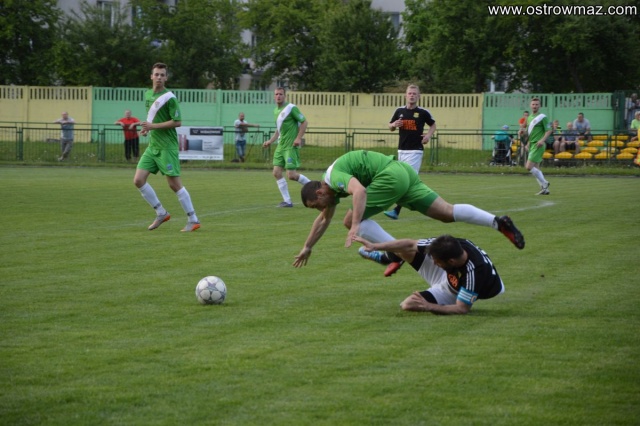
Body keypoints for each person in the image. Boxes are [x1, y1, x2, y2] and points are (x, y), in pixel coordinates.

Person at [293, 150, 525, 274]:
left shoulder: (334, 177)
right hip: (403, 173)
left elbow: (360, 191)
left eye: (317, 205)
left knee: (349, 219)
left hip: (389, 176)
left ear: (320, 193)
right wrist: (307, 246)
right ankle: (498, 222)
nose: (321, 209)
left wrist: (354, 226)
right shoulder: (330, 188)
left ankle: (396, 253)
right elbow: (323, 220)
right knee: (446, 212)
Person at [355, 234, 504, 315]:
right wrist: (375, 246)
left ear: (451, 261)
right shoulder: (451, 244)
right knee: (405, 250)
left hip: (455, 291)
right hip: (450, 275)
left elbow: (462, 309)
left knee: (408, 305)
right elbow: (410, 244)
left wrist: (428, 306)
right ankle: (385, 258)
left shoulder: (474, 273)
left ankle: (396, 259)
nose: (433, 263)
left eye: (437, 261)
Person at [133, 62, 200, 232]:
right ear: (151, 76)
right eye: (156, 74)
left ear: (166, 78)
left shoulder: (170, 97)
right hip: (153, 146)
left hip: (167, 146)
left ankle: (193, 219)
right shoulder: (148, 94)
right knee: (138, 180)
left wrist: (152, 126)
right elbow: (152, 118)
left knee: (174, 184)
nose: (159, 77)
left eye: (162, 75)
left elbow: (177, 122)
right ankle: (161, 213)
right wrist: (147, 128)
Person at [383, 84, 436, 220]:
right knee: (408, 181)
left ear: (418, 96)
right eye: (410, 93)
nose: (412, 95)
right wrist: (393, 125)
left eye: (414, 94)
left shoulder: (423, 112)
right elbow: (390, 126)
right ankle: (421, 201)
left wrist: (428, 136)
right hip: (402, 150)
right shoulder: (399, 111)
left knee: (406, 179)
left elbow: (433, 124)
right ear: (405, 95)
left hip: (415, 151)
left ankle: (396, 210)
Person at [262, 87, 311, 207]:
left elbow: (304, 122)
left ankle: (315, 187)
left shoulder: (291, 108)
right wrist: (270, 141)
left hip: (290, 146)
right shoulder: (276, 111)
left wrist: (298, 138)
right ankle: (287, 201)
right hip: (281, 146)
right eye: (276, 94)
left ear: (285, 96)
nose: (278, 96)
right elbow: (279, 130)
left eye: (280, 94)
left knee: (291, 175)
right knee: (276, 172)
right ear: (274, 96)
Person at [524, 98, 552, 195]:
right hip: (532, 144)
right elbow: (530, 133)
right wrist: (528, 143)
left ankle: (545, 183)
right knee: (536, 168)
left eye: (536, 104)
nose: (535, 106)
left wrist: (542, 140)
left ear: (539, 106)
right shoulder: (529, 118)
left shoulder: (543, 117)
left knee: (528, 167)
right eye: (533, 104)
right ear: (530, 105)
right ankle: (545, 190)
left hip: (538, 145)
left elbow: (549, 130)